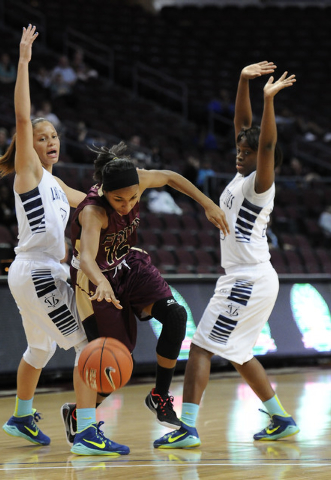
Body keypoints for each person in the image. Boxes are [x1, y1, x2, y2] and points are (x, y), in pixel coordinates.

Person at [153, 61, 299, 449]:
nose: (240, 152)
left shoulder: (259, 184)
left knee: (201, 346)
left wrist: (269, 101)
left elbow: (265, 143)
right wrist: (242, 82)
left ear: (262, 159)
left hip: (246, 278)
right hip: (250, 276)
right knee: (236, 352)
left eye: (246, 151)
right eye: (238, 148)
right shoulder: (241, 173)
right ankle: (281, 417)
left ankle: (187, 427)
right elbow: (244, 125)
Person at [60, 141, 229, 454]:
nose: (127, 204)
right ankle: (78, 413)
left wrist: (207, 203)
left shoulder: (137, 179)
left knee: (176, 316)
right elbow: (85, 260)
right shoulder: (94, 213)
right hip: (93, 281)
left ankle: (160, 396)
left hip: (127, 264)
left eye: (134, 197)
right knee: (115, 366)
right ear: (105, 193)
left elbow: (170, 177)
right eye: (119, 199)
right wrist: (102, 282)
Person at [0, 25, 90, 451]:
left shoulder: (58, 183)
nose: (50, 142)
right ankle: (86, 431)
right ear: (29, 145)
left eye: (54, 137)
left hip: (38, 273)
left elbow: (95, 203)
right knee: (90, 348)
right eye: (42, 137)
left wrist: (131, 195)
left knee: (39, 350)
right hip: (39, 274)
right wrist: (25, 62)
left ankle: (21, 416)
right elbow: (22, 117)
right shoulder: (27, 172)